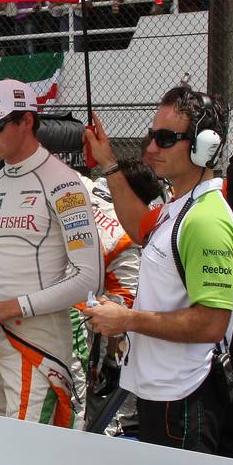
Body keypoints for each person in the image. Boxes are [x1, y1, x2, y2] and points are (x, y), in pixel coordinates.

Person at [84, 87, 233, 453]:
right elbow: (140, 227)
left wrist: (126, 320)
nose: (151, 148)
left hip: (186, 400)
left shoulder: (205, 220)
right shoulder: (179, 206)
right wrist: (109, 163)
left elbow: (211, 323)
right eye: (151, 135)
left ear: (204, 147)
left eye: (166, 138)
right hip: (166, 392)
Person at [0, 80, 103, 427]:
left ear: (27, 121)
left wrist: (5, 308)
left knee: (26, 461)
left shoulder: (65, 184)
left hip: (38, 349)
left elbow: (88, 279)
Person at [70, 159, 165, 435]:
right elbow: (123, 305)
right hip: (74, 326)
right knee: (77, 408)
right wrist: (112, 362)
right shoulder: (128, 233)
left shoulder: (79, 186)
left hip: (22, 300)